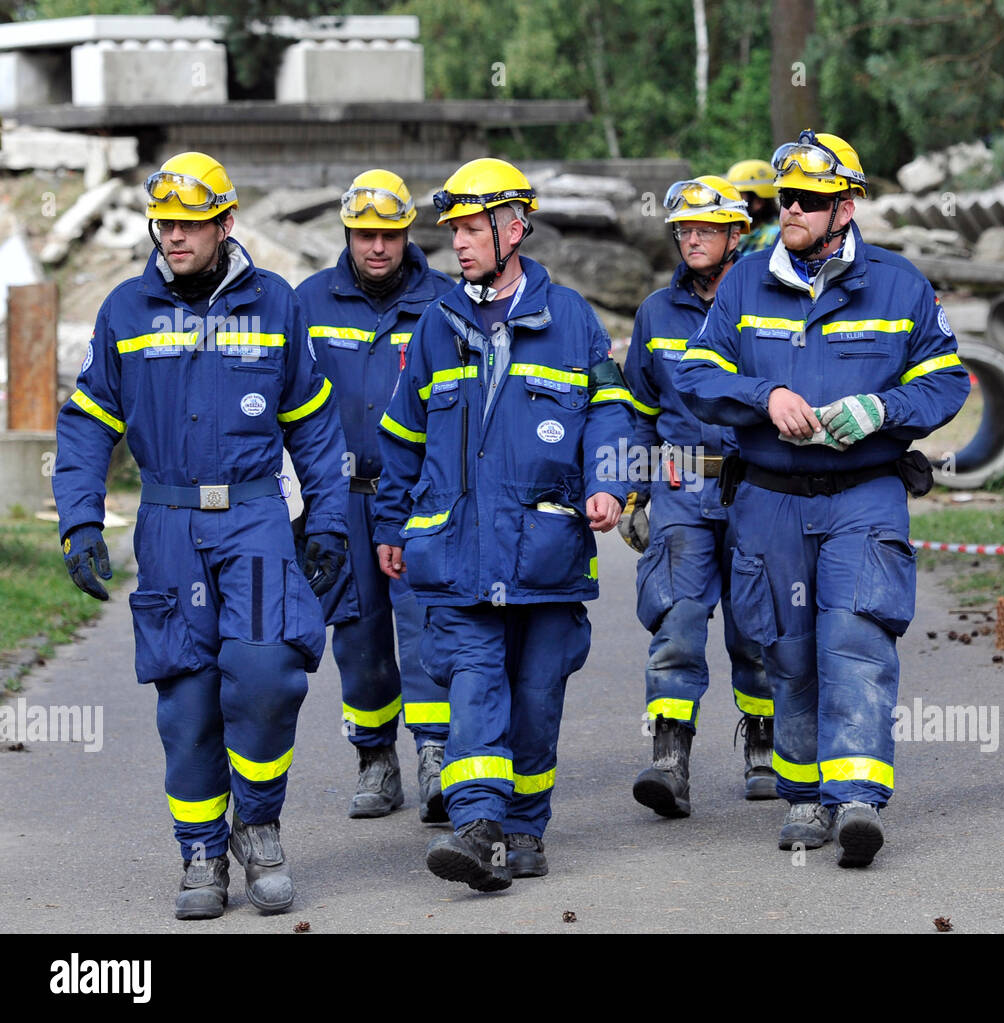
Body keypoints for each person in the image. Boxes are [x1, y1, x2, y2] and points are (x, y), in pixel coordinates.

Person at [53, 151, 349, 919]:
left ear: (225, 223)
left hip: (253, 517)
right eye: (166, 223)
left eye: (191, 222)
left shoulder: (277, 304)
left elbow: (314, 426)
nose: (174, 235)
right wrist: (81, 519)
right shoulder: (126, 310)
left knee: (264, 674)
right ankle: (201, 851)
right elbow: (88, 425)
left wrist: (330, 524)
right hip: (169, 524)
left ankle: (258, 824)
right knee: (185, 698)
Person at [676, 130, 968, 868]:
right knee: (788, 649)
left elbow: (948, 381)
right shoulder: (744, 284)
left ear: (846, 205)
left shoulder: (899, 284)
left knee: (858, 640)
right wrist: (763, 393)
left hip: (864, 493)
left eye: (808, 199)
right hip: (770, 498)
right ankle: (805, 796)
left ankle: (860, 797)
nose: (792, 210)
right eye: (785, 199)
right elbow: (696, 373)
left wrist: (883, 410)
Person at [373, 157, 635, 891]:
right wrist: (393, 525)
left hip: (545, 555)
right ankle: (477, 823)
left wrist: (611, 483)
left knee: (537, 694)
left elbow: (612, 413)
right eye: (452, 229)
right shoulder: (434, 327)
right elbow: (402, 435)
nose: (457, 243)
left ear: (513, 228)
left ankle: (525, 827)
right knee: (474, 683)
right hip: (456, 556)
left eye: (470, 228)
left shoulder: (574, 320)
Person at [296, 170, 456, 822]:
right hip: (341, 498)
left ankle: (436, 754)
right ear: (347, 234)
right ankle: (374, 756)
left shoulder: (444, 302)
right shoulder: (308, 302)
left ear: (407, 233)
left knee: (426, 628)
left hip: (419, 496)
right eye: (365, 235)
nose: (378, 248)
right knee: (357, 638)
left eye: (389, 235)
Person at [619, 175, 776, 817]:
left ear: (737, 234)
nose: (691, 240)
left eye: (705, 229)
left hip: (758, 483)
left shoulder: (770, 301)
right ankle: (670, 759)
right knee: (677, 621)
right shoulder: (657, 312)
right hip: (681, 483)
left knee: (757, 625)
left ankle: (765, 748)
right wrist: (632, 492)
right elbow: (634, 408)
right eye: (683, 230)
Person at [726, 159, 780, 255]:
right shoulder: (742, 231)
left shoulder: (777, 235)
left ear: (758, 202)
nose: (732, 202)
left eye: (739, 196)